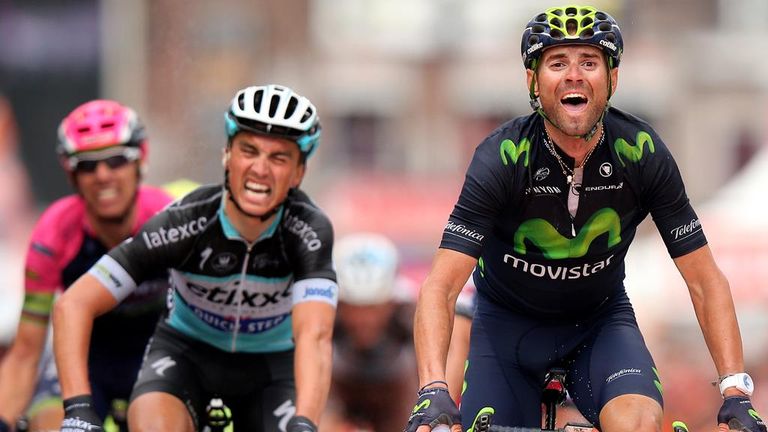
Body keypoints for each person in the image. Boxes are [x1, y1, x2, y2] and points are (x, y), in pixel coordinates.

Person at [405, 5, 766, 432]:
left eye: (589, 62)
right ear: (532, 81)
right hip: (505, 330)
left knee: (639, 424)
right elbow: (441, 287)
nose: (574, 75)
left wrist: (736, 392)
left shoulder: (642, 152)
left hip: (599, 324)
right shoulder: (502, 157)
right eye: (558, 63)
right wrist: (431, 388)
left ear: (612, 79)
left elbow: (704, 279)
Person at [52, 84, 337, 432]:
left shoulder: (308, 230)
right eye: (249, 151)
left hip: (271, 370)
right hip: (185, 356)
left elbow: (315, 335)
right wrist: (78, 410)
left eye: (279, 158)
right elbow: (73, 305)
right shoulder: (186, 221)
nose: (261, 169)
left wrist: (305, 422)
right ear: (227, 155)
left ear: (298, 173)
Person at [0, 100, 173, 432]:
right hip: (84, 361)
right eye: (87, 165)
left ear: (141, 160)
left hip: (159, 357)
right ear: (70, 173)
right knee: (48, 425)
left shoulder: (167, 218)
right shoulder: (53, 233)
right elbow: (25, 352)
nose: (103, 176)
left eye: (116, 160)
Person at [320, 233, 418, 432]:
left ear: (392, 302)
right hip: (337, 392)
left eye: (373, 307)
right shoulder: (321, 316)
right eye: (354, 308)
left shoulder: (412, 317)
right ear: (338, 304)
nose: (364, 320)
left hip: (398, 397)